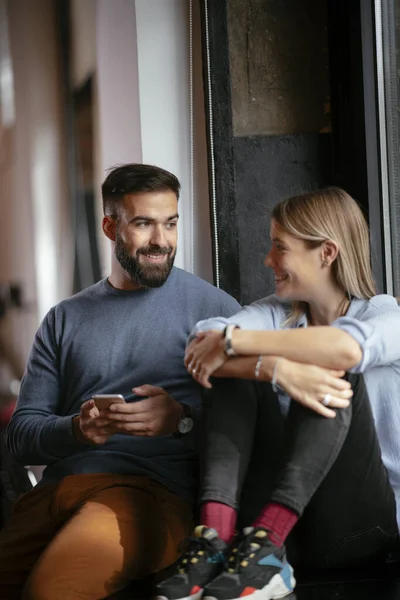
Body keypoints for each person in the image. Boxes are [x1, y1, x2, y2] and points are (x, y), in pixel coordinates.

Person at [0, 163, 240, 600]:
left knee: (53, 592)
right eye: (144, 224)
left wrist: (181, 420)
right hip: (56, 493)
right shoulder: (64, 318)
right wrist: (77, 428)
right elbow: (21, 437)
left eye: (170, 224)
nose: (161, 242)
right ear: (111, 227)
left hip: (147, 494)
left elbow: (251, 428)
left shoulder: (216, 310)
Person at [156, 187, 400, 600]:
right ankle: (215, 537)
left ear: (326, 252)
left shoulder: (385, 313)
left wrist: (240, 347)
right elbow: (204, 341)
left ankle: (268, 546)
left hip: (361, 528)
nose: (268, 260)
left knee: (327, 363)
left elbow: (344, 349)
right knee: (236, 363)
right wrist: (271, 367)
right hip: (269, 534)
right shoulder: (274, 313)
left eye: (279, 247)